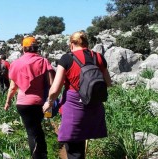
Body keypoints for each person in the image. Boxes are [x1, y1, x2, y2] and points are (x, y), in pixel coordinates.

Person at [43, 31, 112, 159]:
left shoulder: (67, 58)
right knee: (82, 146)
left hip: (74, 109)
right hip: (94, 108)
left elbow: (55, 89)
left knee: (74, 151)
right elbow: (108, 83)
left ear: (72, 44)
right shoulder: (99, 57)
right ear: (87, 43)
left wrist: (49, 102)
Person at [4, 36, 54, 159]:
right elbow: (52, 84)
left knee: (32, 131)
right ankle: (41, 155)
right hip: (39, 103)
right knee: (36, 130)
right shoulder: (43, 61)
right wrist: (51, 100)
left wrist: (8, 102)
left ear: (23, 48)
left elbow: (12, 87)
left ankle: (38, 155)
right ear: (36, 47)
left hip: (22, 104)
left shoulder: (16, 63)